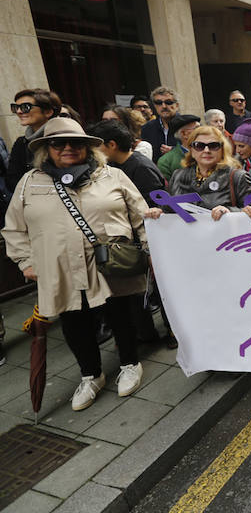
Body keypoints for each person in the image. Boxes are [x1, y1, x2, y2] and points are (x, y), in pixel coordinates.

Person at [2, 118, 149, 411]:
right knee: (73, 321)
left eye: (76, 143)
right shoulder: (30, 182)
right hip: (60, 267)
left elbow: (140, 215)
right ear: (46, 149)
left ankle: (130, 364)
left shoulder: (113, 176)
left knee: (121, 314)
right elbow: (14, 228)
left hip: (111, 264)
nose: (68, 148)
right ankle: (91, 375)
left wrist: (149, 248)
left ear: (87, 147)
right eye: (58, 143)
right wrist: (24, 261)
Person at [90, 119, 167, 343]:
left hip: (149, 240)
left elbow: (156, 205)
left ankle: (170, 332)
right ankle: (145, 333)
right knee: (137, 294)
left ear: (111, 145)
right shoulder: (112, 169)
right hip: (129, 242)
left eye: (97, 146)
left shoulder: (139, 167)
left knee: (159, 290)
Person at [147, 126, 251, 221]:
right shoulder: (178, 175)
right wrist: (159, 212)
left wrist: (230, 211)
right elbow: (169, 209)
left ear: (222, 149)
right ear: (191, 150)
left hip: (225, 241)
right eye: (199, 145)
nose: (206, 150)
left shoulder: (238, 177)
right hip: (187, 241)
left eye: (213, 145)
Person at [90, 120, 165, 208]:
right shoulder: (111, 165)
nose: (94, 151)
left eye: (97, 146)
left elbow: (154, 205)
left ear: (112, 145)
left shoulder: (142, 168)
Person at [6, 89, 61, 190]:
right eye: (15, 107)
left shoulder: (65, 138)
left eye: (25, 107)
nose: (18, 111)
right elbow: (12, 180)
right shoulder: (21, 143)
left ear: (48, 112)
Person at [141, 86, 180, 162]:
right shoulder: (147, 128)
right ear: (154, 106)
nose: (164, 106)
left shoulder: (190, 125)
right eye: (159, 103)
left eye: (168, 102)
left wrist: (175, 151)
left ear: (177, 105)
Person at [156, 115, 201, 181]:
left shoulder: (211, 152)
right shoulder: (166, 161)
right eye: (197, 128)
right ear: (184, 134)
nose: (203, 131)